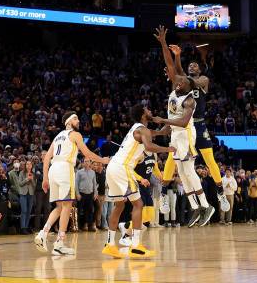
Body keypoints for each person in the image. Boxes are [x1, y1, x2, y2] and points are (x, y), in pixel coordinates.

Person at [156, 27, 229, 216]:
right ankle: (164, 193)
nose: (193, 66)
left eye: (196, 65)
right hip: (183, 125)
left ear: (201, 69)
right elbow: (179, 75)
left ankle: (220, 192)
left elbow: (185, 79)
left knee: (210, 160)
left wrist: (176, 67)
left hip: (198, 123)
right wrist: (176, 59)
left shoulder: (203, 80)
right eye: (191, 65)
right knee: (173, 159)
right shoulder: (182, 83)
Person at [102, 104, 174, 259]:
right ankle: (135, 245)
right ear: (143, 114)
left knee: (119, 205)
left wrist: (160, 132)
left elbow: (149, 134)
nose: (150, 111)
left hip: (112, 167)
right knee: (138, 204)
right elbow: (148, 144)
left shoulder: (138, 128)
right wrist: (167, 149)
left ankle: (110, 244)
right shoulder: (142, 129)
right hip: (123, 168)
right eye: (148, 109)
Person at [34, 111, 110, 256]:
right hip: (65, 168)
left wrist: (45, 178)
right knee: (67, 205)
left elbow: (46, 158)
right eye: (75, 119)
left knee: (60, 206)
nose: (78, 121)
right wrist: (104, 161)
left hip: (53, 170)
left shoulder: (57, 137)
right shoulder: (75, 134)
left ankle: (44, 234)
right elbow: (87, 154)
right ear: (68, 122)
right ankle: (58, 243)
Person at [75, 158, 98, 231]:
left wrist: (95, 193)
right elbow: (76, 184)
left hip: (90, 194)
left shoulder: (92, 172)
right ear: (83, 163)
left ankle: (90, 226)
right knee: (79, 210)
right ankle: (78, 226)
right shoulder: (79, 172)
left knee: (90, 210)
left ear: (90, 163)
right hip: (81, 194)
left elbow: (94, 183)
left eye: (88, 161)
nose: (87, 163)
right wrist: (77, 194)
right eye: (85, 161)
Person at [19, 160, 37, 234]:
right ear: (25, 165)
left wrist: (32, 179)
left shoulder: (33, 174)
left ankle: (26, 227)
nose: (28, 165)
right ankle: (22, 228)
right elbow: (20, 183)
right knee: (24, 211)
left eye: (30, 164)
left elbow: (35, 185)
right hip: (23, 194)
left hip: (31, 194)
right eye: (27, 164)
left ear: (32, 166)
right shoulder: (22, 173)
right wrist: (27, 179)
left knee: (29, 211)